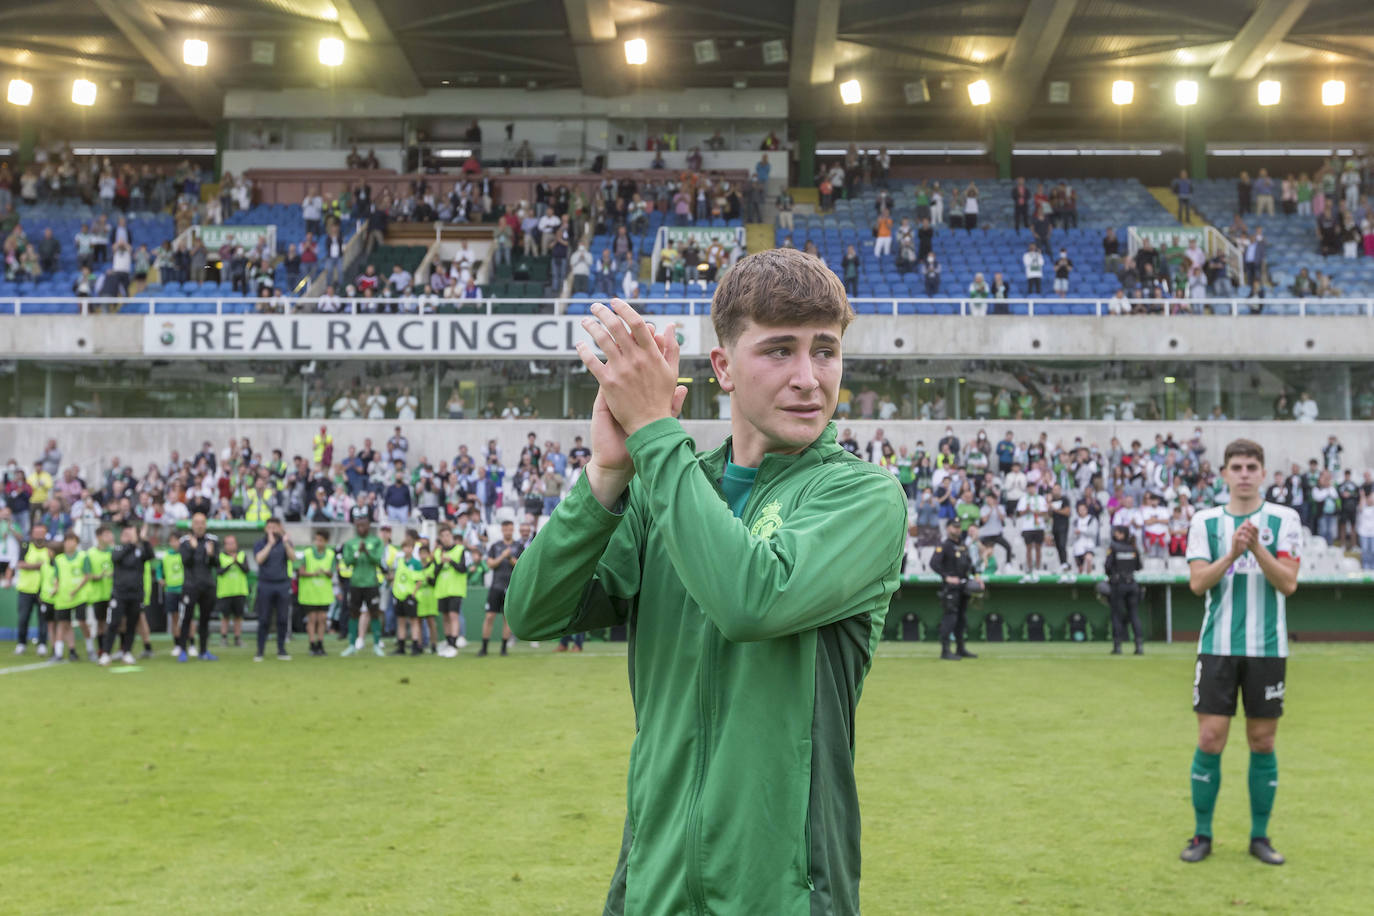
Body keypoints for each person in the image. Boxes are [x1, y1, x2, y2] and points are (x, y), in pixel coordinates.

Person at [506, 247, 906, 912]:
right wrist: (607, 475)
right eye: (779, 350)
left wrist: (656, 433)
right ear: (722, 367)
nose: (809, 377)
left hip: (781, 896)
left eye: (826, 351)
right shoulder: (663, 488)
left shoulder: (862, 496)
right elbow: (533, 612)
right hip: (652, 889)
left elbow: (750, 601)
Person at [1180, 439, 1300, 867]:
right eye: (1237, 466)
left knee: (1262, 741)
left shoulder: (1284, 520)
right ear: (1224, 473)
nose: (1245, 473)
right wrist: (1232, 551)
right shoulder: (1205, 521)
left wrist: (1256, 548)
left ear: (1263, 473)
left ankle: (1259, 836)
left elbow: (1287, 583)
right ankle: (1202, 834)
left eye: (1252, 466)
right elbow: (1198, 584)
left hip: (1268, 649)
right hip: (1217, 648)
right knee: (1210, 739)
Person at [99, 523, 153, 666]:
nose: (128, 536)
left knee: (132, 624)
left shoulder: (140, 550)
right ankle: (106, 653)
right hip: (119, 594)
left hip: (136, 594)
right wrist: (132, 544)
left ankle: (127, 651)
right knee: (114, 623)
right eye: (126, 534)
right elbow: (116, 558)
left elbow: (150, 555)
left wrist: (144, 540)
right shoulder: (118, 548)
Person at [340, 512, 387, 656]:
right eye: (358, 525)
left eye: (363, 525)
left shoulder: (376, 541)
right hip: (355, 583)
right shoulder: (350, 543)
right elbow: (347, 562)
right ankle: (352, 645)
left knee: (374, 613)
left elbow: (378, 560)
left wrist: (366, 552)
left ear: (368, 526)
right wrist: (357, 553)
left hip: (371, 582)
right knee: (354, 613)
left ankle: (377, 644)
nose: (361, 528)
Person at [930, 518, 977, 661]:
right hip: (950, 589)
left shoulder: (962, 546)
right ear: (948, 528)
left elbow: (969, 564)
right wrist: (947, 577)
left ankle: (960, 648)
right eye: (954, 527)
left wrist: (977, 576)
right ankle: (945, 650)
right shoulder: (944, 545)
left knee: (961, 619)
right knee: (950, 618)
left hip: (963, 587)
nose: (957, 529)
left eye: (958, 527)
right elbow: (934, 563)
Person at [176, 514, 220, 662]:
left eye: (202, 523)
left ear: (206, 524)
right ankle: (183, 650)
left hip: (208, 586)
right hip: (190, 586)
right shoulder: (185, 541)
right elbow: (185, 562)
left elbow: (216, 563)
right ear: (192, 525)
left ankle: (203, 651)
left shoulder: (212, 540)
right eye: (196, 523)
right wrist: (193, 549)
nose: (199, 525)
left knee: (204, 620)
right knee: (186, 619)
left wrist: (211, 555)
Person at [252, 518, 295, 661]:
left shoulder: (285, 542)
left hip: (282, 584)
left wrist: (286, 542)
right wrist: (270, 545)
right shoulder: (260, 543)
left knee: (282, 618)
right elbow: (259, 559)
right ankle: (260, 650)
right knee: (264, 619)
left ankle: (281, 649)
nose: (272, 530)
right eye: (269, 527)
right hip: (265, 584)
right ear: (265, 529)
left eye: (275, 527)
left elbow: (293, 557)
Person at [480, 519, 522, 656]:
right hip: (496, 586)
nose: (508, 531)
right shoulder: (495, 546)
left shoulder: (518, 546)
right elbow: (490, 564)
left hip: (511, 587)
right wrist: (502, 556)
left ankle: (504, 648)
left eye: (510, 529)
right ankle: (484, 647)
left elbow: (520, 566)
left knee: (507, 618)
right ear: (502, 530)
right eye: (505, 529)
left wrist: (509, 557)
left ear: (513, 529)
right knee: (489, 616)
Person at [1103, 525, 1143, 656]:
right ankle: (1139, 646)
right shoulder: (1133, 548)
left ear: (1122, 534)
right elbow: (1139, 566)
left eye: (1117, 533)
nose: (1115, 535)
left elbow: (1107, 567)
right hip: (1132, 584)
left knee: (1116, 615)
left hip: (1118, 585)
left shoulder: (1113, 547)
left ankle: (1117, 646)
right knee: (1134, 615)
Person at [297, 530, 336, 657]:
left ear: (326, 541)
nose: (318, 543)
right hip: (310, 593)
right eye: (316, 540)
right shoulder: (307, 553)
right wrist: (313, 574)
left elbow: (332, 573)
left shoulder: (330, 554)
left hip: (323, 593)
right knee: (312, 619)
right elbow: (301, 571)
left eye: (321, 540)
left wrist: (325, 572)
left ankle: (320, 643)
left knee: (322, 619)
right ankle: (312, 644)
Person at [13, 521, 49, 655]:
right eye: (36, 532)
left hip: (43, 589)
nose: (39, 535)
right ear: (32, 533)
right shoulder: (26, 545)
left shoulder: (49, 547)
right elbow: (20, 564)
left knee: (43, 619)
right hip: (26, 589)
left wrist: (32, 566)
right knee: (23, 618)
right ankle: (21, 643)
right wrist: (38, 565)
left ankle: (42, 644)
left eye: (41, 532)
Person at [434, 524, 470, 657]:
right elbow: (435, 572)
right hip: (442, 590)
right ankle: (448, 643)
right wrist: (441, 563)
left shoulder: (460, 549)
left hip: (455, 589)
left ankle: (453, 645)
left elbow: (462, 568)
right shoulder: (438, 552)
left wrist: (451, 561)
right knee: (445, 617)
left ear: (452, 536)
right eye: (442, 536)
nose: (445, 538)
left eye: (447, 535)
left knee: (454, 616)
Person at [215, 534, 249, 648]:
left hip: (239, 591)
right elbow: (219, 571)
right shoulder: (220, 556)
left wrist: (237, 562)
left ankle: (237, 638)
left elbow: (246, 570)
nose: (231, 545)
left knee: (238, 617)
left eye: (233, 543)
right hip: (225, 592)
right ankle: (224, 638)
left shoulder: (242, 555)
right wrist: (231, 563)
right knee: (224, 617)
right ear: (224, 545)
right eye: (228, 543)